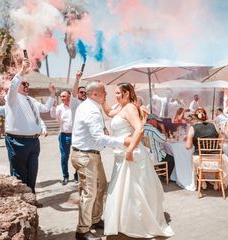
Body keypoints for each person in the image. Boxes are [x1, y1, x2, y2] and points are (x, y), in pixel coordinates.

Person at [101, 82, 173, 238]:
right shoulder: (120, 107)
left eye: (118, 93)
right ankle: (125, 221)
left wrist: (130, 149)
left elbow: (139, 129)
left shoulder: (131, 108)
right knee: (122, 189)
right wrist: (103, 98)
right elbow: (108, 113)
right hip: (121, 154)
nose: (116, 95)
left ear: (127, 93)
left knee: (134, 190)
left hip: (132, 153)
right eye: (115, 93)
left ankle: (138, 222)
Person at [71, 81, 131, 240]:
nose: (106, 94)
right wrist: (121, 141)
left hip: (92, 154)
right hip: (85, 156)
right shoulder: (90, 110)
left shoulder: (90, 106)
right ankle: (82, 231)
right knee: (89, 193)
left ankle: (95, 219)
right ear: (95, 94)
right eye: (104, 91)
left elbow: (96, 134)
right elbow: (98, 137)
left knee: (101, 186)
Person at [4, 58, 55, 194]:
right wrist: (22, 70)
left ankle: (31, 197)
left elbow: (45, 108)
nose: (27, 86)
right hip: (17, 141)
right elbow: (13, 86)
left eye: (28, 84)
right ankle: (23, 201)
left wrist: (52, 94)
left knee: (32, 171)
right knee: (19, 174)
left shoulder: (31, 99)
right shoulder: (12, 98)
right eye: (24, 84)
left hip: (33, 141)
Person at [186, 108, 228, 189]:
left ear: (195, 118)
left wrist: (192, 140)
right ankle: (217, 181)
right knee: (223, 159)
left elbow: (188, 147)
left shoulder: (193, 128)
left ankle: (202, 180)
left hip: (200, 159)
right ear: (206, 116)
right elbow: (221, 138)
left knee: (194, 159)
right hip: (217, 158)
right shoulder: (214, 125)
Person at [50, 90, 76, 185]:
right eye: (61, 96)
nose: (62, 98)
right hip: (64, 135)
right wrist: (53, 106)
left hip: (75, 135)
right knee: (64, 157)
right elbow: (53, 115)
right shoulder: (59, 107)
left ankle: (77, 176)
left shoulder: (75, 106)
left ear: (69, 96)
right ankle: (65, 176)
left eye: (64, 96)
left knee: (77, 156)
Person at [143, 113, 175, 178]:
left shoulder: (142, 128)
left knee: (166, 154)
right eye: (156, 121)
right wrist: (163, 129)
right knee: (172, 159)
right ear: (151, 120)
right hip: (155, 155)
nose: (157, 123)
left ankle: (161, 173)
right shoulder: (153, 130)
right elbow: (164, 139)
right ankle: (166, 176)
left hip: (146, 154)